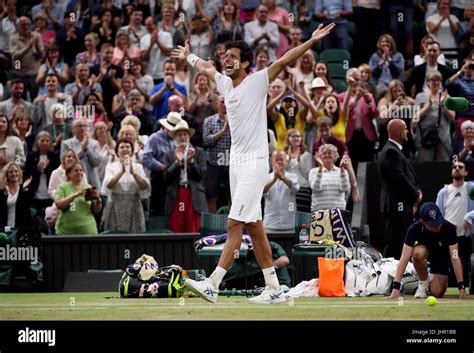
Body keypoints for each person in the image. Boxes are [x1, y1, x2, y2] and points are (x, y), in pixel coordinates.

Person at [172, 22, 335, 304]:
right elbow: (207, 69)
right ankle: (274, 288)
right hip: (236, 163)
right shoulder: (224, 83)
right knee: (254, 226)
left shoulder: (258, 79)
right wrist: (188, 56)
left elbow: (284, 59)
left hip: (255, 162)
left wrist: (311, 40)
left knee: (234, 223)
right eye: (225, 57)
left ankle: (213, 283)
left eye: (233, 57)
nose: (227, 60)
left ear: (245, 63)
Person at [389, 202, 468, 299]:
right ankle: (423, 283)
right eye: (433, 225)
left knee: (436, 293)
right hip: (424, 253)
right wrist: (395, 288)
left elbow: (455, 257)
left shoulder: (449, 228)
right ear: (422, 222)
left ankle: (431, 276)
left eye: (438, 222)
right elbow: (404, 258)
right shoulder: (414, 229)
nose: (437, 226)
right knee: (417, 253)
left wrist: (462, 289)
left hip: (441, 257)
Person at [378, 119, 421, 259]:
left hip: (400, 204)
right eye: (405, 128)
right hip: (397, 205)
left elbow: (404, 178)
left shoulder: (394, 150)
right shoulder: (391, 151)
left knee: (400, 242)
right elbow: (399, 179)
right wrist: (415, 195)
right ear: (398, 131)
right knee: (395, 243)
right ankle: (386, 276)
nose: (407, 131)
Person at [162, 120, 207, 233]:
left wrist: (192, 161)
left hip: (193, 194)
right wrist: (177, 162)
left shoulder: (198, 152)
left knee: (193, 230)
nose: (182, 137)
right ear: (175, 138)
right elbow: (166, 177)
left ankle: (193, 251)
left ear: (189, 136)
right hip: (176, 194)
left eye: (185, 134)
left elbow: (202, 175)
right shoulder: (169, 154)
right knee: (176, 229)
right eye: (179, 134)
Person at [435, 160, 473, 288]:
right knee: (448, 267)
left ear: (466, 172)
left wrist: (470, 217)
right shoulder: (443, 192)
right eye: (454, 166)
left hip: (465, 237)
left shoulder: (471, 189)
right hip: (447, 238)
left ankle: (463, 290)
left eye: (460, 167)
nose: (457, 168)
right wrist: (447, 226)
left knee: (465, 266)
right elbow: (437, 214)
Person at [101, 139, 150, 233]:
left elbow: (144, 186)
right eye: (122, 147)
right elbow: (109, 185)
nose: (125, 149)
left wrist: (133, 173)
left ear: (131, 150)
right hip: (116, 206)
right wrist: (121, 171)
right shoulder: (111, 166)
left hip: (134, 206)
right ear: (117, 151)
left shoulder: (138, 167)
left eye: (127, 147)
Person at [54, 161, 101, 235]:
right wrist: (76, 194)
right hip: (66, 233)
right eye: (76, 170)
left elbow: (96, 211)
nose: (79, 172)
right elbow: (59, 205)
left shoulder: (88, 187)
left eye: (81, 170)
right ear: (69, 174)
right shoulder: (62, 187)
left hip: (88, 231)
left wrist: (98, 199)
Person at [23, 131, 60, 218]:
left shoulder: (54, 156)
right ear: (37, 142)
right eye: (42, 140)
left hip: (50, 195)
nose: (45, 143)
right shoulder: (31, 156)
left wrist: (46, 169)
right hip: (35, 194)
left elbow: (57, 175)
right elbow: (27, 175)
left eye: (47, 141)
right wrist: (38, 170)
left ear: (51, 142)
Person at [263, 150, 299, 230]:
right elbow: (262, 192)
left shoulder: (293, 176)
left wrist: (282, 178)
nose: (279, 162)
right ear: (271, 161)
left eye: (281, 159)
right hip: (271, 223)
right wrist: (273, 180)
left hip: (290, 224)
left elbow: (295, 187)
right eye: (276, 159)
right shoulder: (266, 178)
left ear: (286, 161)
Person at [308, 143, 350, 211]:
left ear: (335, 156)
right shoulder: (313, 171)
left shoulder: (343, 171)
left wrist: (342, 168)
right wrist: (320, 169)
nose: (327, 155)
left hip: (338, 211)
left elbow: (345, 188)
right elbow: (316, 188)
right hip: (319, 211)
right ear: (320, 156)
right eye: (324, 153)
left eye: (330, 153)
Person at [283, 129, 312, 213]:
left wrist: (299, 160)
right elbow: (281, 171)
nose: (296, 138)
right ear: (288, 139)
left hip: (303, 188)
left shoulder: (307, 155)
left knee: (301, 215)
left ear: (301, 139)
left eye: (298, 136)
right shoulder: (283, 154)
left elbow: (307, 174)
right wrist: (288, 159)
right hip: (286, 188)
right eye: (293, 136)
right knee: (288, 213)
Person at [0, 162, 33, 230]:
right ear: (7, 175)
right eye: (11, 172)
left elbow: (27, 209)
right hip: (6, 230)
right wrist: (5, 194)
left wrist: (23, 190)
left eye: (16, 171)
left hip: (21, 230)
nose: (14, 174)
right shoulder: (2, 192)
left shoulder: (24, 190)